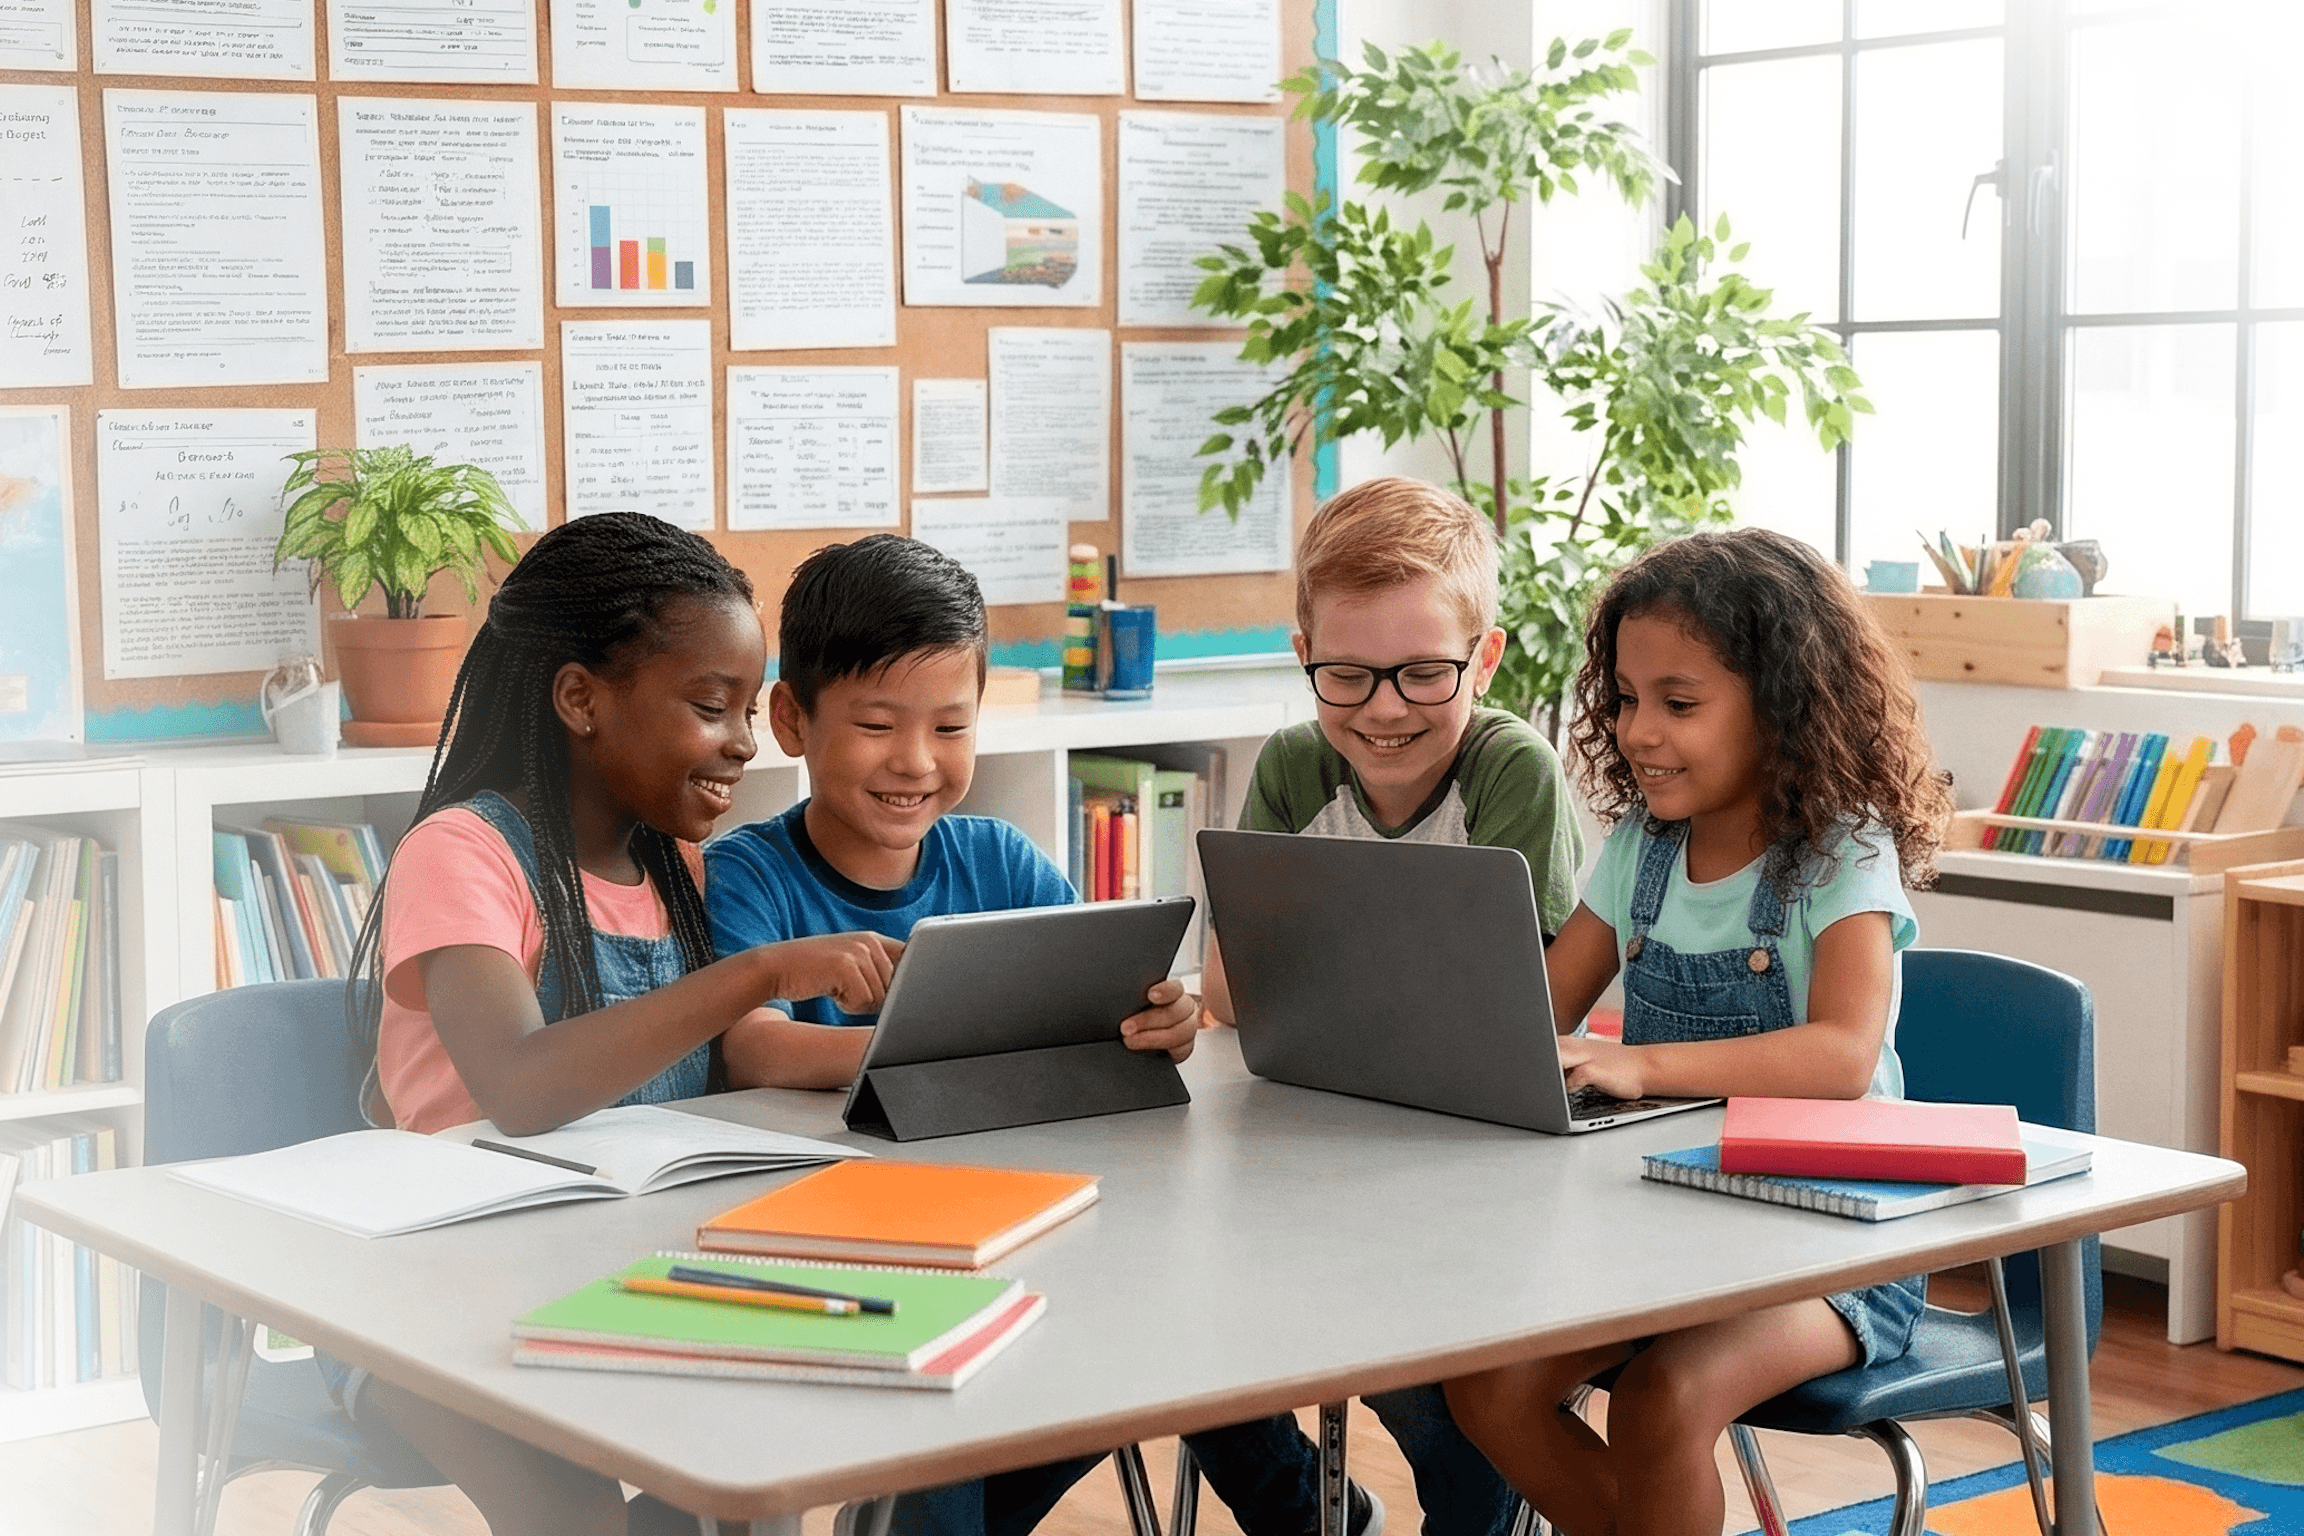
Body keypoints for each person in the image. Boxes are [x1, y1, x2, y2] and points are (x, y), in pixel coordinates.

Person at [339, 512, 899, 1536]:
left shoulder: (674, 872)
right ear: (579, 698)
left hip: (628, 1271)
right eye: (709, 705)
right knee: (585, 1520)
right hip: (434, 1307)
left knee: (767, 1474)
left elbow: (721, 1076)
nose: (740, 741)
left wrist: (926, 1038)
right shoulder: (462, 855)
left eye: (743, 709)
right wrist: (758, 971)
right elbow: (520, 1085)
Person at [1440, 527, 1956, 1536]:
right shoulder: (1642, 848)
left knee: (1663, 1399)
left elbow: (1844, 1055)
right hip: (1674, 1232)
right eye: (1626, 699)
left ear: (1784, 705)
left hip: (1840, 1243)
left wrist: (1639, 1062)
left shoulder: (1841, 852)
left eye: (1679, 703)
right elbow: (1536, 1013)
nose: (1637, 730)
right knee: (1488, 1386)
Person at [704, 534, 1201, 1536]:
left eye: (950, 726)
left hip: (1018, 1210)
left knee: (1161, 1349)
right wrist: (921, 1056)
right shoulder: (748, 873)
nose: (916, 762)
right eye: (878, 724)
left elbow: (1090, 1005)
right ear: (792, 720)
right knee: (955, 1373)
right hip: (836, 1239)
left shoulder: (1001, 859)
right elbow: (748, 1043)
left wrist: (1165, 1018)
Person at [1196, 475, 1582, 1536]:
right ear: (1304, 656)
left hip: (1481, 1172)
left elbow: (1520, 1017)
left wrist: (1323, 973)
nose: (1383, 709)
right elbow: (1232, 999)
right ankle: (1315, 1517)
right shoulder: (1290, 765)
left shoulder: (1514, 769)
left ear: (1486, 657)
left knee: (1437, 1397)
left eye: (1424, 673)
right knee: (1192, 1351)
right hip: (1317, 1146)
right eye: (1347, 676)